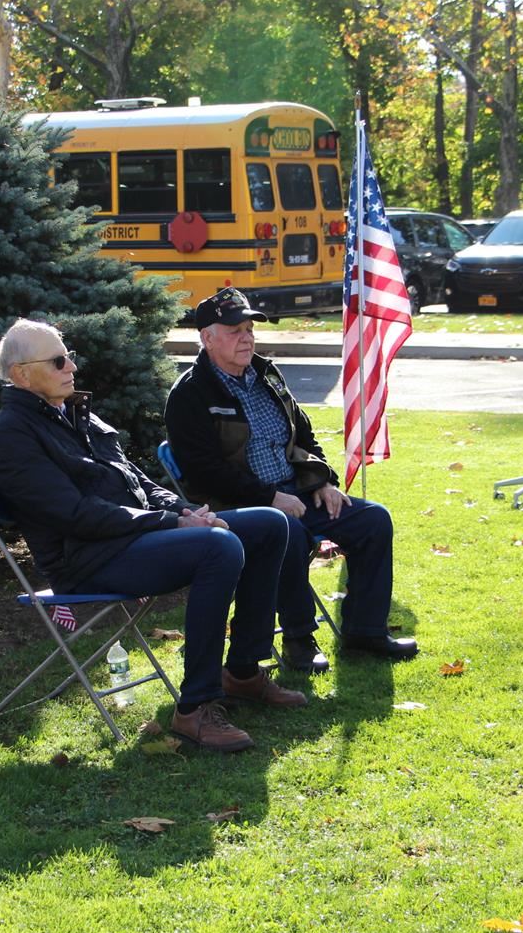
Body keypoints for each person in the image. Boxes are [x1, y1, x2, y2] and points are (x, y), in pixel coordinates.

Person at [0, 319, 305, 752]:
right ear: (21, 374)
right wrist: (172, 524)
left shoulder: (76, 413)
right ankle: (195, 708)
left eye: (70, 357)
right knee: (220, 545)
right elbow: (75, 515)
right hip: (86, 559)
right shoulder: (12, 435)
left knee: (270, 524)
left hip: (126, 539)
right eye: (58, 361)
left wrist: (184, 510)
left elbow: (137, 483)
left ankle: (243, 673)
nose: (71, 368)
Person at [164, 288, 419, 673]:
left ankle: (364, 630)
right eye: (234, 331)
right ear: (207, 338)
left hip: (296, 492)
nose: (247, 338)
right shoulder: (190, 394)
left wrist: (322, 481)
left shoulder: (266, 373)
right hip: (240, 507)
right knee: (288, 533)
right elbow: (204, 472)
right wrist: (269, 497)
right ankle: (300, 639)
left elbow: (303, 434)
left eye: (249, 329)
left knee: (373, 519)